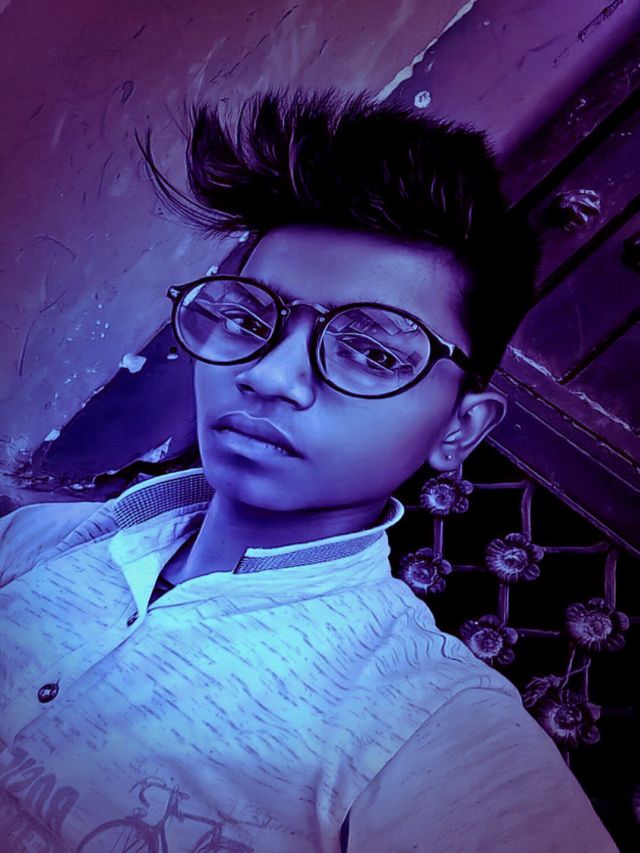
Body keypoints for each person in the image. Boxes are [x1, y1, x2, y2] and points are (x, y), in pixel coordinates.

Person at [0, 91, 616, 852]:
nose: (268, 376)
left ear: (459, 428)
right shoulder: (41, 541)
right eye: (250, 317)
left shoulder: (432, 727)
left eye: (373, 351)